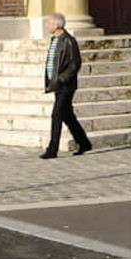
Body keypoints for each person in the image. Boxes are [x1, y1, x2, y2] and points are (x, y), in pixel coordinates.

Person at [41, 13, 91, 158]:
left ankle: (52, 149)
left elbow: (74, 64)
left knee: (57, 114)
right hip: (56, 84)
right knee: (67, 115)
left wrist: (61, 79)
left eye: (49, 23)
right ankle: (84, 142)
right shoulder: (55, 40)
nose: (47, 25)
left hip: (65, 86)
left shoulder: (69, 41)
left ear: (56, 25)